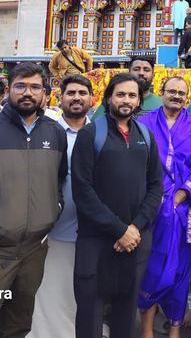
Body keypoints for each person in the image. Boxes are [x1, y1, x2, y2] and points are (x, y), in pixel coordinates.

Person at [71, 72, 163, 338]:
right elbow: (82, 190)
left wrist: (135, 227)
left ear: (138, 101)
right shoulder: (91, 134)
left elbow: (156, 185)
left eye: (132, 95)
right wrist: (119, 230)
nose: (126, 100)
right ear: (109, 97)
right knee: (90, 313)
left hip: (135, 240)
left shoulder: (145, 135)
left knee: (125, 314)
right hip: (97, 241)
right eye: (120, 94)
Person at [0, 62, 67, 337]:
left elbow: (59, 179)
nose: (28, 92)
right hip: (1, 250)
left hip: (33, 250)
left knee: (18, 321)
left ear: (44, 93)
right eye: (20, 86)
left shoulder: (55, 131)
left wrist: (54, 208)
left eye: (35, 87)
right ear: (8, 90)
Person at [139, 76, 191, 338]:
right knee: (151, 267)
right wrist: (151, 198)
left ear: (187, 98)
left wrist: (180, 195)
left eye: (182, 93)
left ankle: (175, 329)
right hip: (150, 209)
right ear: (161, 92)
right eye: (172, 92)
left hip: (182, 210)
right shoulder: (144, 122)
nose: (176, 96)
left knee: (180, 269)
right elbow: (137, 160)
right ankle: (146, 329)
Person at [29, 75, 93, 338]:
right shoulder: (46, 131)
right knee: (49, 293)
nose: (76, 97)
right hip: (51, 231)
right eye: (70, 93)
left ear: (92, 99)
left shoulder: (101, 132)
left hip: (90, 232)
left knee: (80, 296)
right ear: (60, 97)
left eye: (82, 93)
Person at [92, 56, 162, 119]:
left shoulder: (161, 105)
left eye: (146, 70)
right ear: (129, 72)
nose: (141, 73)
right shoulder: (113, 102)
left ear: (153, 75)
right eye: (136, 69)